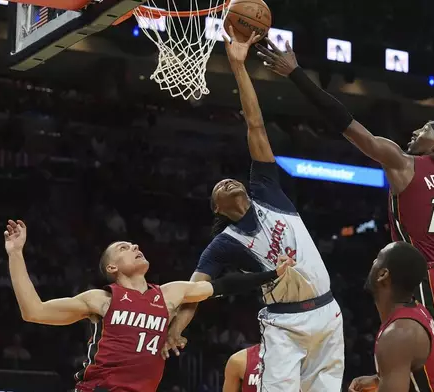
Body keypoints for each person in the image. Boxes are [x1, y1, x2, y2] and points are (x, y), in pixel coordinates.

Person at [256, 40, 434, 390]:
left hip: (432, 280)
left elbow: (349, 126)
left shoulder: (405, 163)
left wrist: (295, 74)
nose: (416, 132)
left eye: (425, 129)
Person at [164, 29, 344, 392]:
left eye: (230, 179)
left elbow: (255, 123)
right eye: (219, 188)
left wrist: (238, 67)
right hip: (285, 324)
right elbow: (194, 292)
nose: (227, 181)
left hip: (329, 313)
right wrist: (175, 329)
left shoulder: (266, 189)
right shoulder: (225, 244)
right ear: (218, 208)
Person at [3, 219, 293, 392]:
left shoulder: (170, 294)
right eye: (124, 248)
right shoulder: (101, 299)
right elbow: (34, 311)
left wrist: (271, 274)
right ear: (113, 267)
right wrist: (16, 254)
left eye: (134, 245)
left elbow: (224, 285)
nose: (134, 246)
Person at [349, 242, 434, 392]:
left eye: (378, 259)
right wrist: (380, 379)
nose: (373, 262)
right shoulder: (416, 310)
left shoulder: (399, 333)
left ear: (383, 275)